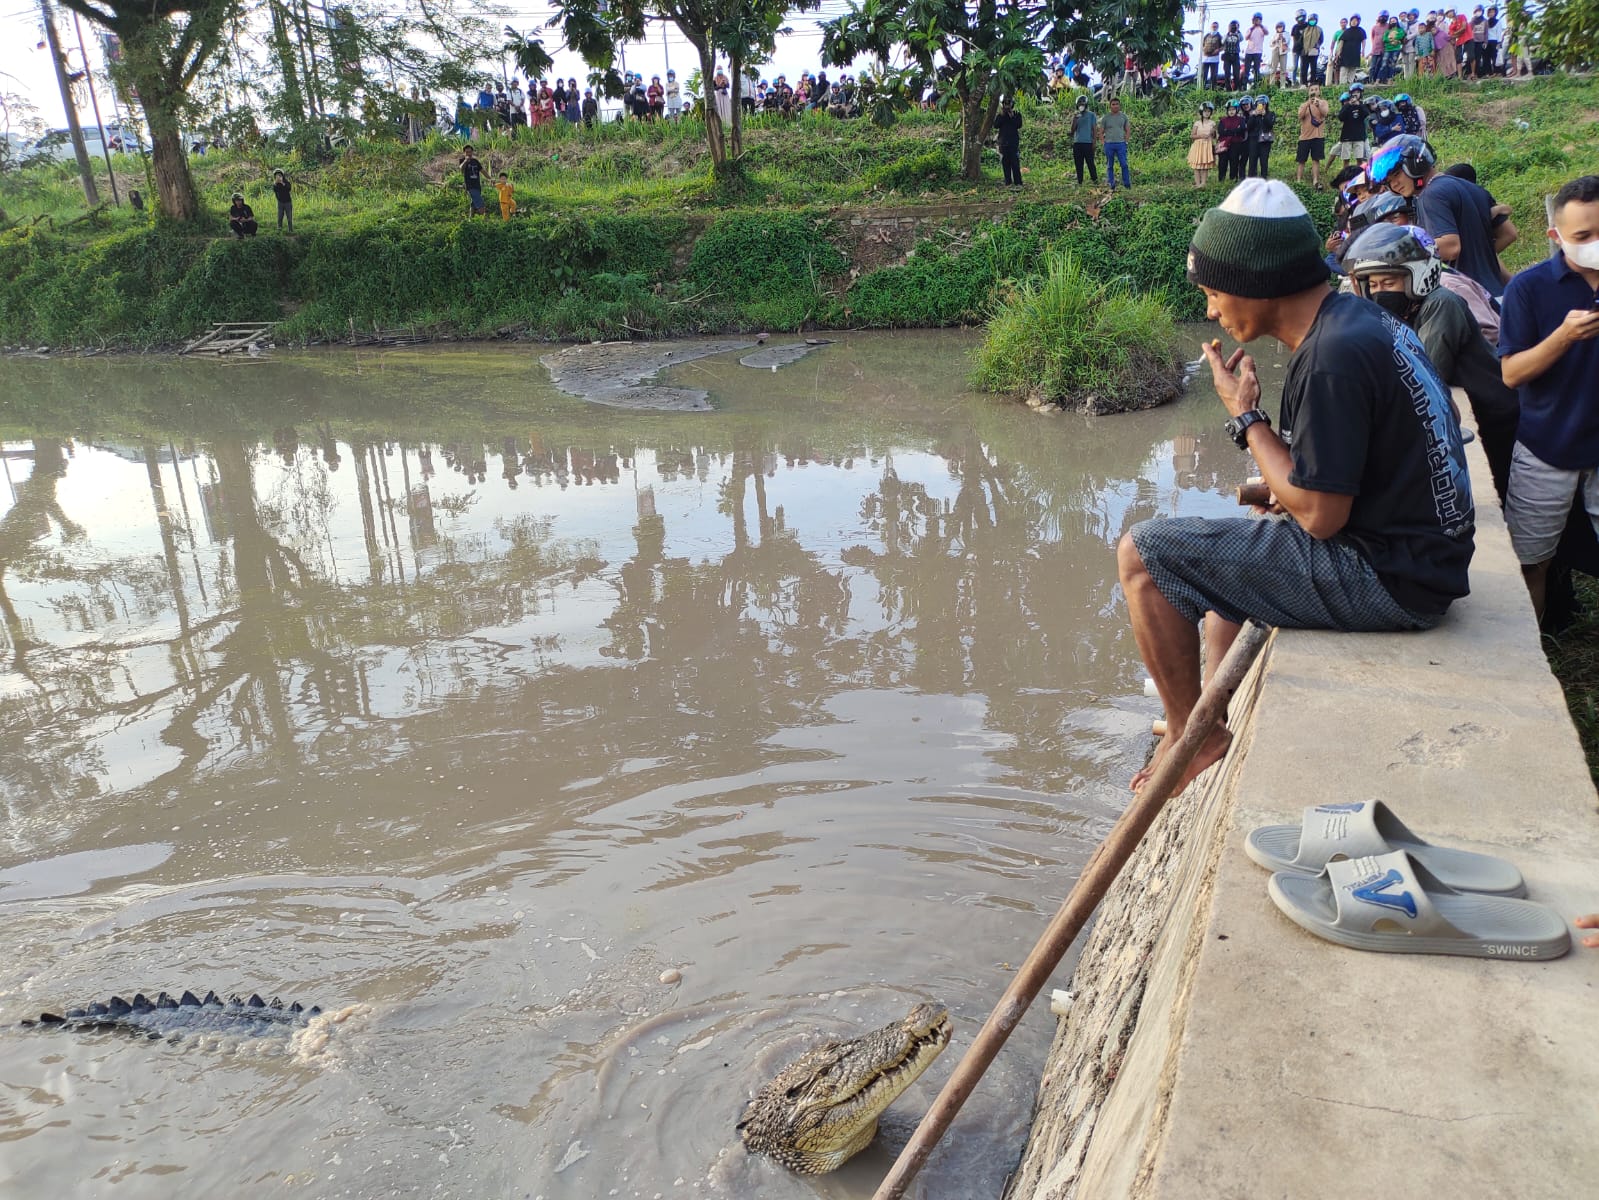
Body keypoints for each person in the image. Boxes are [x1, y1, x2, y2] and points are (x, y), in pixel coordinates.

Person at [1119, 178, 1472, 795]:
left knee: (1144, 556)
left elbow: (1321, 517)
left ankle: (1191, 734)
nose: (1210, 311)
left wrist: (1246, 417)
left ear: (1254, 282)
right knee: (1221, 552)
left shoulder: (1332, 356)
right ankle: (1204, 705)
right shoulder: (1356, 321)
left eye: (1211, 292)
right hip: (1426, 558)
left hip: (1393, 581)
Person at [1344, 222, 1519, 498]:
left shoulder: (1441, 303)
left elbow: (1422, 376)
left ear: (1417, 277)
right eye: (1374, 285)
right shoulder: (1405, 311)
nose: (1380, 292)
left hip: (1500, 422)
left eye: (1389, 282)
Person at [1497, 175, 1599, 618]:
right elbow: (1512, 373)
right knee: (1530, 562)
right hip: (1546, 447)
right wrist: (1562, 337)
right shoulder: (1529, 288)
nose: (1596, 243)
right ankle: (1531, 661)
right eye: (1584, 236)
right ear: (1556, 237)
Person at [1372, 134, 1510, 299]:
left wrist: (1399, 253)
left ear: (1416, 162)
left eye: (1396, 175)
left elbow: (1451, 247)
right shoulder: (1472, 188)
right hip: (1496, 295)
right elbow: (1509, 233)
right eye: (1388, 181)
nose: (1393, 184)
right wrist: (1477, 257)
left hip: (1470, 299)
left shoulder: (1430, 195)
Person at [1296, 84, 1329, 189]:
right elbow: (1300, 116)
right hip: (1304, 137)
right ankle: (1299, 181)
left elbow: (1325, 113)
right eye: (1311, 90)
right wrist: (1307, 104)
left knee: (1316, 160)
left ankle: (1315, 181)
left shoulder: (1323, 103)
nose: (1314, 91)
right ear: (1308, 92)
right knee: (1301, 160)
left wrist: (1318, 105)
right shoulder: (1303, 104)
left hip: (1318, 137)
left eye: (1316, 89)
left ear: (1319, 91)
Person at [1099, 97, 1131, 192]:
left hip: (1121, 144)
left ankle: (1127, 184)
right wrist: (1103, 142)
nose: (1115, 106)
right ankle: (1111, 184)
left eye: (1117, 104)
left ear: (1119, 105)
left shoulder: (1123, 117)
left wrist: (1126, 141)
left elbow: (1128, 130)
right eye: (1113, 104)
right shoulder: (1106, 118)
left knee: (1124, 164)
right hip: (1109, 144)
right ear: (1110, 106)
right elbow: (1100, 132)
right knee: (1110, 165)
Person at [1332, 91, 1369, 168]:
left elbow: (1366, 114)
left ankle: (1359, 175)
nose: (1353, 99)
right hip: (1347, 136)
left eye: (1355, 97)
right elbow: (1340, 117)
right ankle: (1345, 175)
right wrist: (1348, 105)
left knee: (1359, 159)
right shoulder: (1346, 106)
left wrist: (1358, 105)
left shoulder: (1361, 105)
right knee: (1346, 159)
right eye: (1352, 97)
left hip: (1359, 136)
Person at [994, 96, 1023, 188]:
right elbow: (996, 125)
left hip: (1013, 142)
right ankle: (1008, 182)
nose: (1007, 106)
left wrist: (1012, 116)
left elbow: (1019, 125)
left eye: (1008, 103)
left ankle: (1018, 182)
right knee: (1005, 163)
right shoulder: (1000, 115)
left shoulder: (1017, 114)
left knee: (1015, 163)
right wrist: (1002, 115)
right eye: (1005, 104)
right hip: (1003, 142)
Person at [1217, 98, 1249, 183]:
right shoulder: (1223, 120)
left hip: (1236, 144)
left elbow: (1242, 130)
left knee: (1234, 161)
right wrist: (1234, 131)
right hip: (1224, 144)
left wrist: (1228, 131)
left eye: (1233, 109)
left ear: (1237, 110)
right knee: (1222, 162)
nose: (1231, 111)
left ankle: (1233, 178)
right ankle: (1221, 178)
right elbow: (1221, 132)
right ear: (1227, 110)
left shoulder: (1241, 119)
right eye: (1229, 109)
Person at [1189, 101, 1218, 187]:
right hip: (1198, 146)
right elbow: (1192, 136)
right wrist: (1200, 135)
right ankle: (1197, 183)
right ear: (1202, 112)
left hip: (1207, 146)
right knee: (1196, 165)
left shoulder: (1212, 123)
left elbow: (1214, 137)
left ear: (1211, 113)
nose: (1207, 113)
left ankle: (1203, 183)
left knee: (1205, 165)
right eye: (1205, 111)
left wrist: (1213, 132)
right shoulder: (1197, 123)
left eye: (1208, 111)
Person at [1247, 95, 1277, 178]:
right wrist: (1254, 115)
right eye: (1259, 104)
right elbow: (1248, 126)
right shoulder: (1253, 113)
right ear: (1256, 104)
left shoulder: (1271, 114)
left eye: (1263, 104)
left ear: (1267, 104)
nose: (1262, 106)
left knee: (1264, 161)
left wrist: (1265, 115)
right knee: (1252, 160)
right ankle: (1251, 178)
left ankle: (1264, 178)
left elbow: (1270, 125)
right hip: (1253, 140)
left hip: (1265, 141)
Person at [1071, 96, 1098, 185]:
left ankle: (1094, 179)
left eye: (1082, 104)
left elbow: (1094, 129)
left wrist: (1094, 142)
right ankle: (1080, 181)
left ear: (1086, 105)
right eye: (1079, 104)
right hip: (1077, 143)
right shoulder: (1076, 116)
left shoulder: (1091, 115)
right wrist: (1075, 119)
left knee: (1090, 162)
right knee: (1078, 163)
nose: (1081, 106)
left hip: (1088, 143)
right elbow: (1072, 130)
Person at [1300, 14, 1325, 85]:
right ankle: (1303, 83)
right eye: (1311, 20)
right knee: (1303, 68)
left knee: (1313, 68)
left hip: (1314, 51)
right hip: (1304, 51)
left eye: (1314, 20)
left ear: (1316, 20)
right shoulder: (1305, 28)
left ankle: (1312, 82)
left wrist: (1317, 45)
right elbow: (1301, 39)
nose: (1312, 21)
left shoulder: (1319, 29)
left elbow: (1321, 39)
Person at [461, 148, 486, 217]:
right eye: (467, 152)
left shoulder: (475, 161)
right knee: (482, 207)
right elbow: (461, 169)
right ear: (464, 153)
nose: (469, 154)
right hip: (470, 186)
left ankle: (470, 220)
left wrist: (490, 178)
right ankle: (483, 223)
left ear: (472, 152)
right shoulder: (463, 161)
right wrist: (465, 161)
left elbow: (482, 171)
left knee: (473, 204)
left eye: (470, 152)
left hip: (477, 186)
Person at [1244, 14, 1268, 85]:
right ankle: (1244, 85)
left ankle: (1256, 84)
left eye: (1258, 19)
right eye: (1255, 20)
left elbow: (1267, 33)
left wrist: (1260, 25)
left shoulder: (1262, 28)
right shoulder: (1250, 29)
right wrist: (1252, 29)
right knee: (1247, 69)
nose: (1256, 21)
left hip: (1258, 51)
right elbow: (1246, 38)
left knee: (1256, 69)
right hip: (1249, 52)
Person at [1223, 20, 1244, 90]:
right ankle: (1228, 88)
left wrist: (1237, 30)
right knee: (1227, 73)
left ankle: (1237, 88)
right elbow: (1222, 41)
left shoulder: (1238, 34)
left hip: (1235, 55)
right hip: (1227, 55)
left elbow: (1242, 39)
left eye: (1234, 26)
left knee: (1236, 73)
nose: (1233, 27)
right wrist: (1229, 31)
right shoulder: (1226, 35)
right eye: (1232, 26)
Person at [1201, 22, 1223, 89]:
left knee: (1213, 76)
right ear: (1211, 27)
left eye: (1215, 26)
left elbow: (1223, 46)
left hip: (1214, 59)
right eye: (1213, 26)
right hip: (1205, 58)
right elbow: (1202, 44)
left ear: (1217, 27)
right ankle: (1202, 89)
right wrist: (1204, 49)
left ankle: (1213, 90)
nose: (1214, 27)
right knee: (1204, 75)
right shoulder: (1207, 35)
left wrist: (1218, 50)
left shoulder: (1219, 36)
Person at [1270, 21, 1290, 86]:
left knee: (1283, 69)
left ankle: (1282, 85)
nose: (1279, 28)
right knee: (1273, 68)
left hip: (1283, 51)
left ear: (1283, 27)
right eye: (1278, 27)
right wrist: (1276, 39)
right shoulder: (1274, 35)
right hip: (1275, 50)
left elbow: (1286, 41)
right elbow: (1271, 44)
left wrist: (1282, 38)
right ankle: (1272, 84)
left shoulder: (1286, 33)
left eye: (1281, 27)